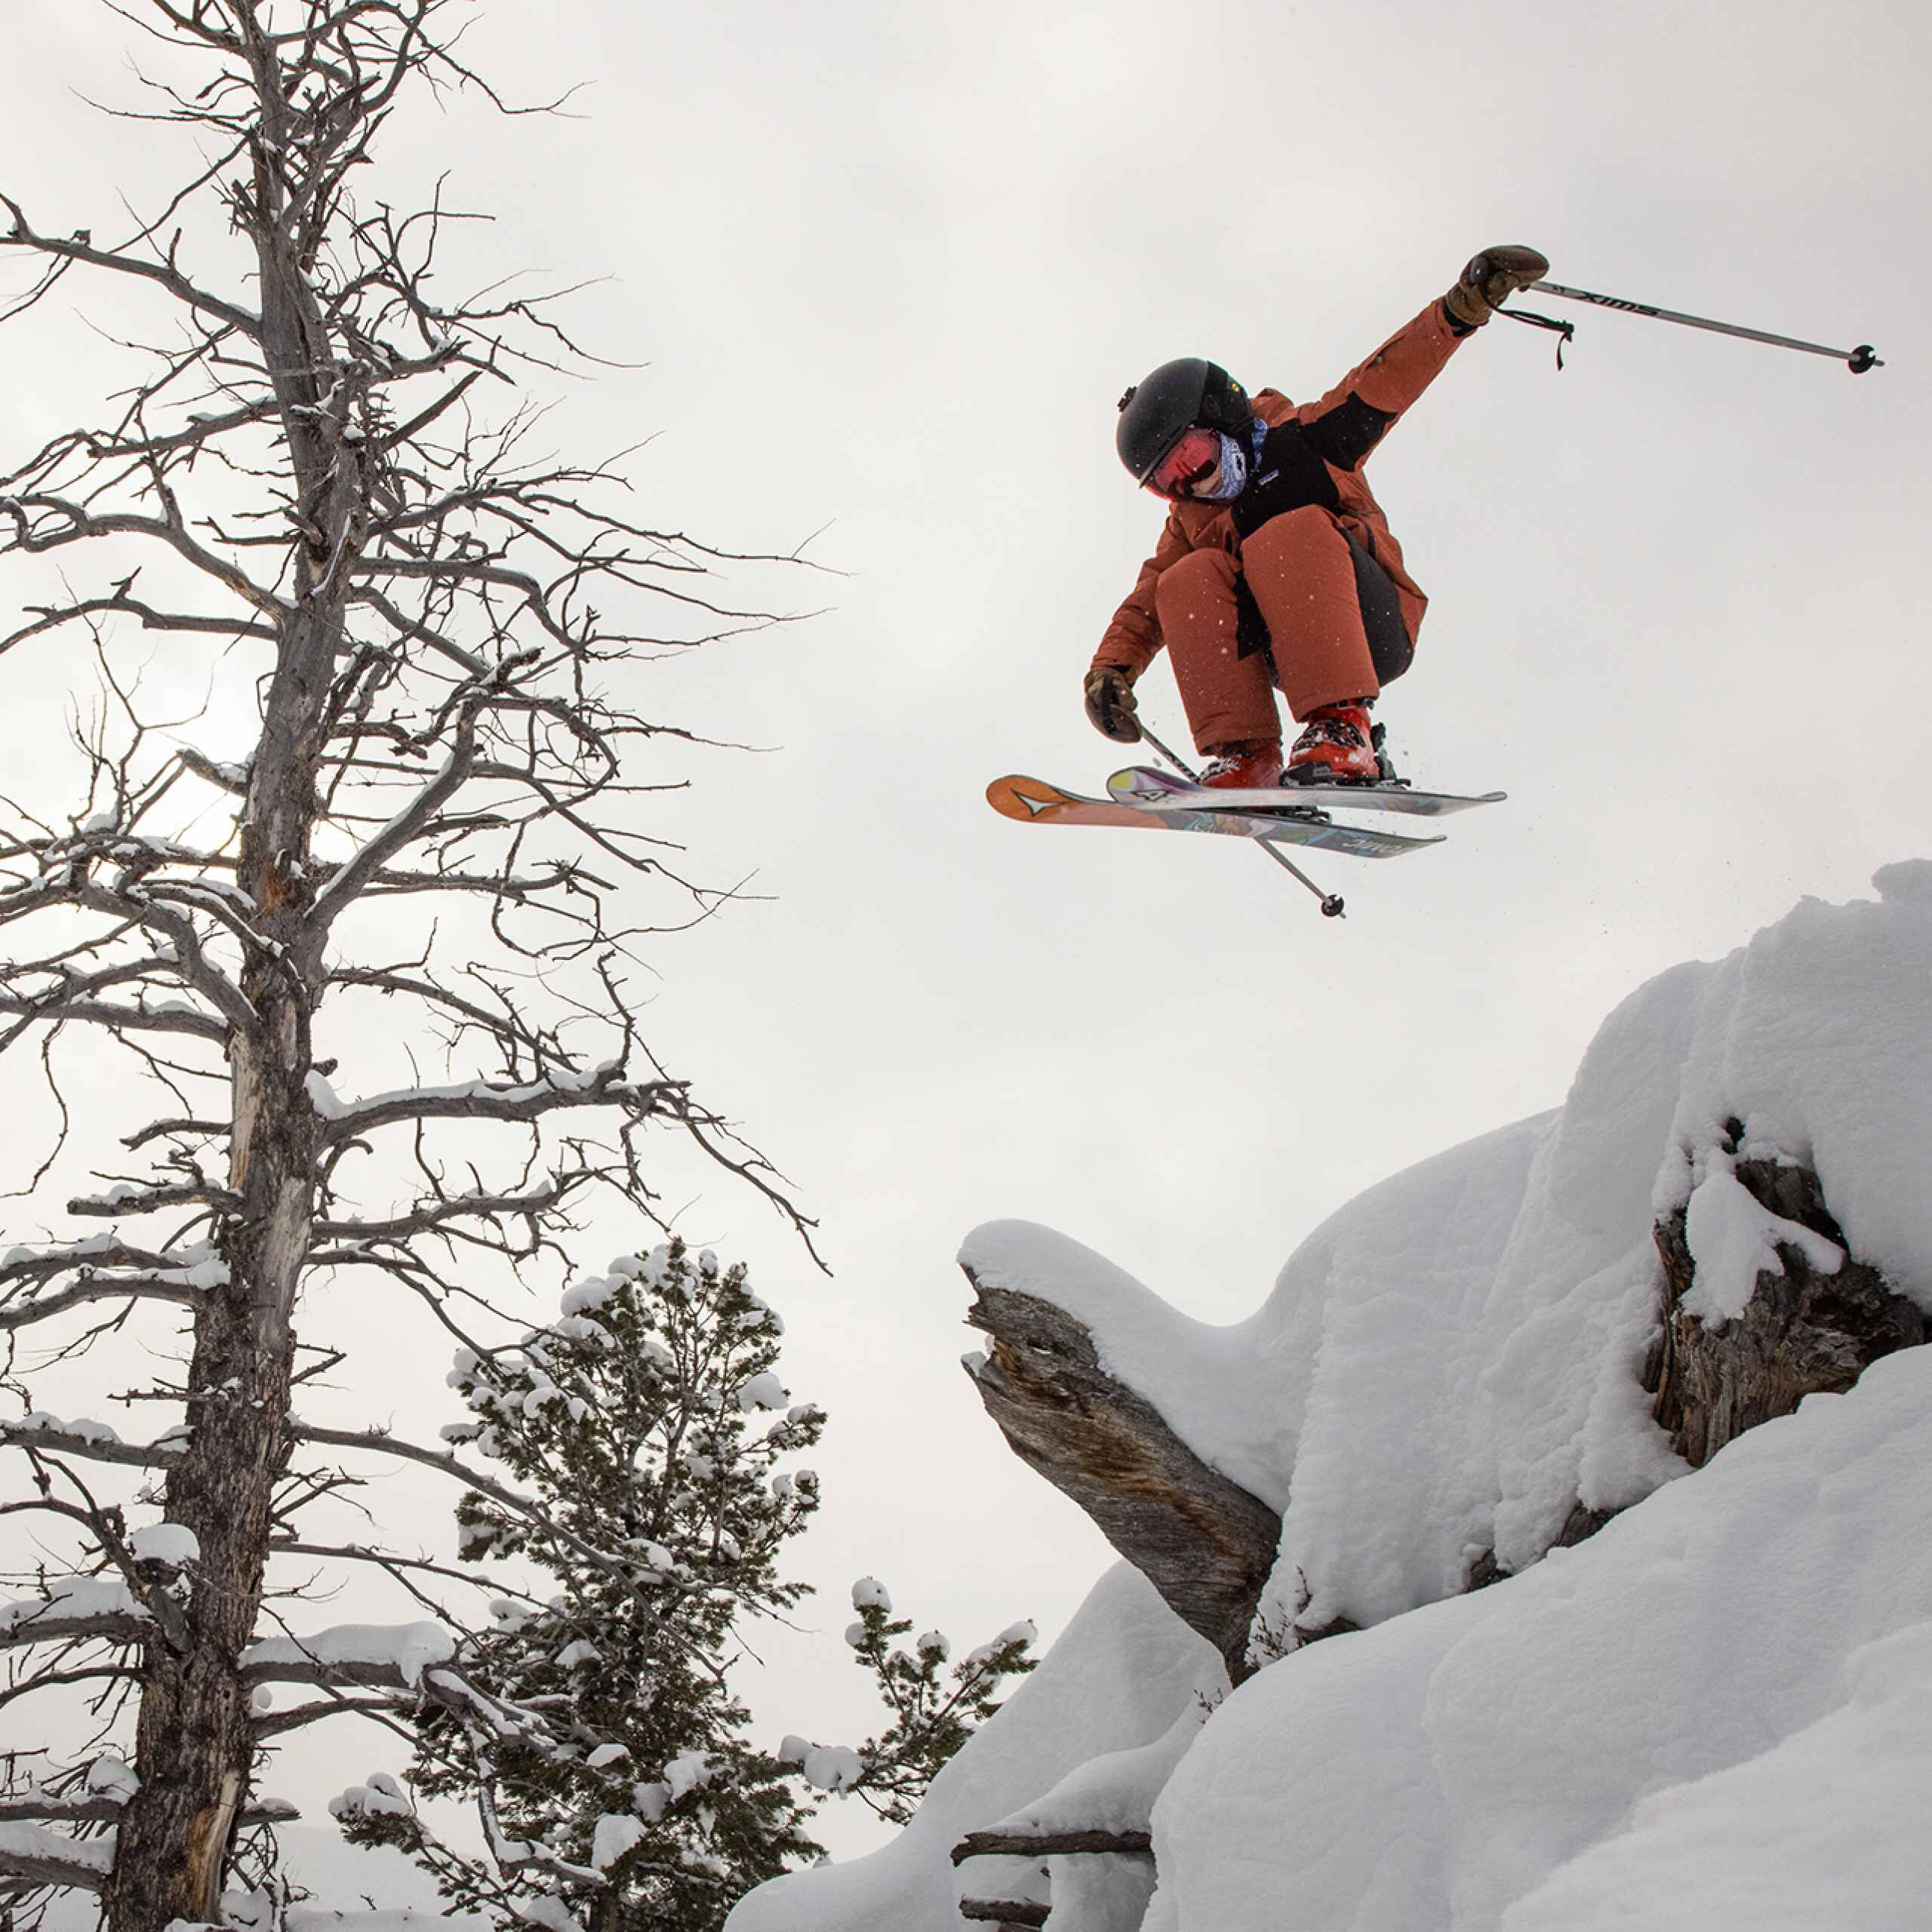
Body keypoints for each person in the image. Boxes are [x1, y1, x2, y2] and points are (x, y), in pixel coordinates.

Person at [1084, 247, 1549, 787]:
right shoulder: (1193, 522)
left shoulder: (1308, 443)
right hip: (1291, 650)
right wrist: (1111, 669)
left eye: (1194, 458)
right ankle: (1248, 757)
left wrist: (1460, 309)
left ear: (1225, 417)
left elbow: (1388, 379)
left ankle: (1344, 729)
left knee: (1282, 532)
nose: (1191, 482)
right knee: (1184, 578)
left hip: (1368, 626)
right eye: (1170, 481)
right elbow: (1146, 601)